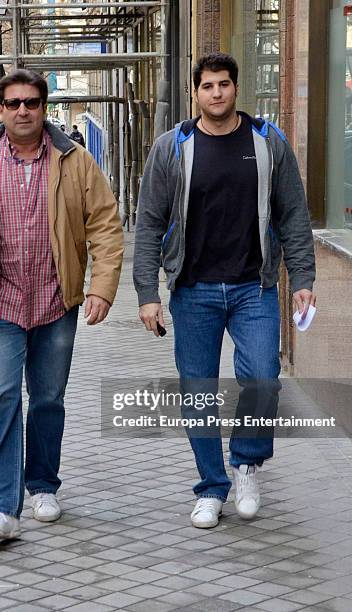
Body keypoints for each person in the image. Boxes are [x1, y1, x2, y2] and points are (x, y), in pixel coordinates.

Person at [0, 69, 123, 541]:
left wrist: (101, 286)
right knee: (0, 394)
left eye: (32, 102)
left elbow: (105, 224)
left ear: (44, 108)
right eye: (14, 103)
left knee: (47, 399)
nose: (23, 110)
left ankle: (42, 484)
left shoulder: (74, 161)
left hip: (57, 302)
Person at [133, 52, 316, 528]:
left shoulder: (267, 141)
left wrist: (302, 281)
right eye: (208, 86)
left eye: (224, 85)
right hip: (192, 290)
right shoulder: (172, 146)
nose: (217, 93)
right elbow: (149, 223)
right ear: (195, 93)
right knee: (198, 392)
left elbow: (293, 215)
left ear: (236, 89)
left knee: (262, 376)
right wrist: (147, 293)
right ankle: (210, 488)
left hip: (252, 288)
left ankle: (247, 465)